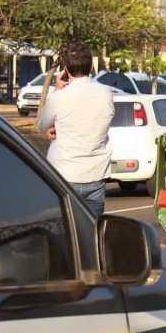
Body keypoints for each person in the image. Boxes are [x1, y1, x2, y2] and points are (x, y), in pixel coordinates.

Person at [37, 43, 115, 215]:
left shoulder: (60, 97)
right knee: (93, 228)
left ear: (66, 69)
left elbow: (42, 125)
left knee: (66, 228)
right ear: (92, 66)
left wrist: (57, 89)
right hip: (96, 175)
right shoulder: (106, 93)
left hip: (64, 174)